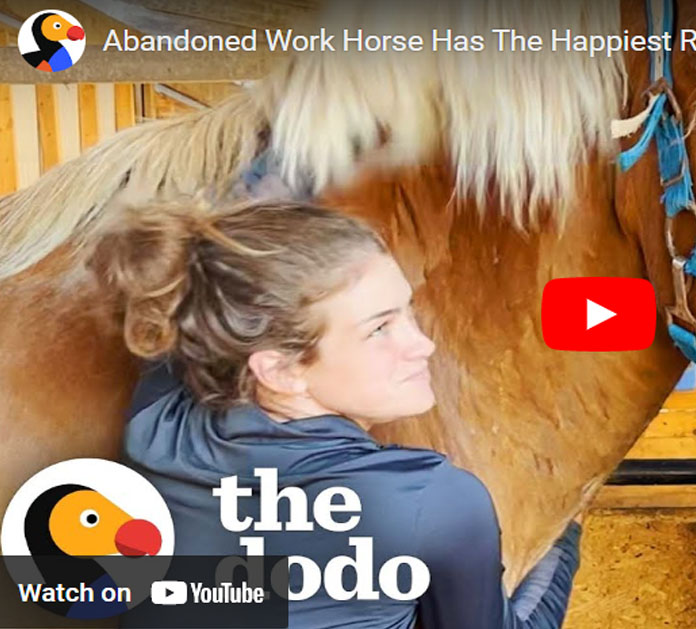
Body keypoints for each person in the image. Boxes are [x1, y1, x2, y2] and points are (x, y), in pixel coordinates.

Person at [88, 200, 581, 628]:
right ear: (280, 371)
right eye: (379, 329)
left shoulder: (154, 421)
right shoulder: (429, 500)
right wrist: (567, 526)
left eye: (407, 311)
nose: (423, 344)